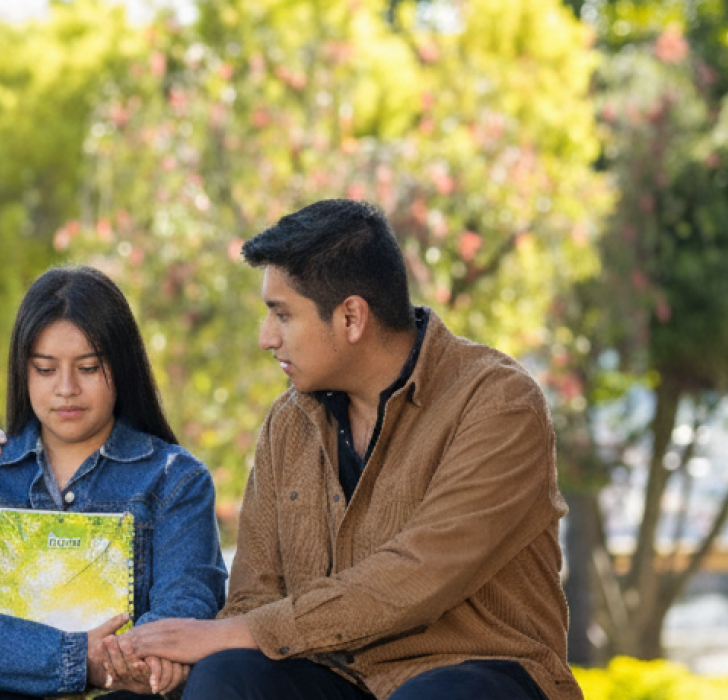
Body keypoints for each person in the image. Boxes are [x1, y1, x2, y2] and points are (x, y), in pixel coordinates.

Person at [118, 200, 580, 699]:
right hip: (336, 677)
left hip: (479, 673)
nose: (266, 338)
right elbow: (255, 592)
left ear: (352, 317)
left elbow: (416, 574)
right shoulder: (288, 423)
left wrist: (232, 633)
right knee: (225, 675)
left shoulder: (497, 403)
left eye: (282, 314)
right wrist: (183, 657)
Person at [0, 266, 228, 699]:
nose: (66, 388)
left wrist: (133, 662)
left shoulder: (177, 480)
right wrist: (78, 659)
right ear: (22, 372)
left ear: (122, 368)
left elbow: (187, 607)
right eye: (45, 369)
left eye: (88, 368)